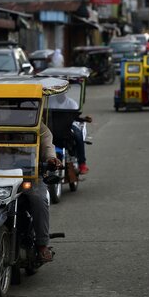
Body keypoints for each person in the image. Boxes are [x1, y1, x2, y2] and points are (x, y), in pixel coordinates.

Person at [36, 122, 62, 262]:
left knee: (39, 200)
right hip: (1, 176)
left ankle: (42, 245)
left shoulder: (40, 128)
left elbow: (47, 146)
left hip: (30, 176)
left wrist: (51, 159)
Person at [47, 93, 92, 174]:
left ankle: (82, 164)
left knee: (78, 135)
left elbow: (76, 117)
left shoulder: (72, 104)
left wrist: (84, 119)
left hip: (68, 125)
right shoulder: (49, 102)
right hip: (53, 126)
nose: (60, 95)